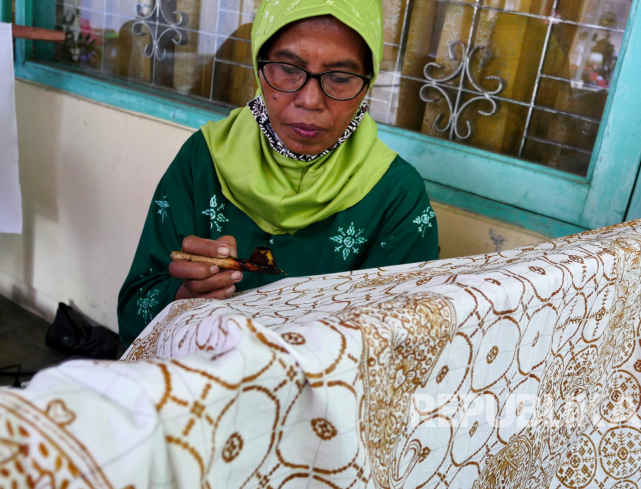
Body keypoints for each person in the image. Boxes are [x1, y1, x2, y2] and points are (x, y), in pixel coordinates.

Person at [117, 0, 439, 345]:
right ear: (259, 68)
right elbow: (134, 311)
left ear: (368, 82)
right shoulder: (203, 160)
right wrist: (184, 295)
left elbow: (402, 344)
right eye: (288, 69)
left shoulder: (395, 196)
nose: (310, 100)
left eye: (341, 78)